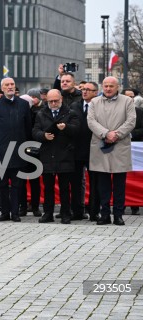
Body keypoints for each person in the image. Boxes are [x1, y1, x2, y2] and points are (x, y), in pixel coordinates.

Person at [87, 76, 136, 226]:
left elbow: (131, 121)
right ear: (102, 86)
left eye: (111, 86)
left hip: (120, 146)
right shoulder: (94, 102)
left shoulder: (127, 101)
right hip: (100, 146)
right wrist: (105, 133)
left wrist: (116, 134)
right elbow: (91, 121)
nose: (108, 88)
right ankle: (105, 214)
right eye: (106, 86)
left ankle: (119, 215)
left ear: (118, 87)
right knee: (103, 185)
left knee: (119, 185)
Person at [0, 78, 32, 222]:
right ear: (2, 88)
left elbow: (28, 127)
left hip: (19, 150)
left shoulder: (24, 104)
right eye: (7, 85)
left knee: (17, 185)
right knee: (3, 184)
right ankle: (4, 212)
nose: (10, 87)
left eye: (12, 84)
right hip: (1, 150)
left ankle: (15, 213)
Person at [33, 89, 79, 224]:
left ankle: (65, 213)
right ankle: (48, 213)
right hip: (47, 154)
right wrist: (43, 136)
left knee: (65, 188)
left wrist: (66, 127)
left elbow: (77, 130)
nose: (53, 103)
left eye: (56, 101)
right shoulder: (41, 113)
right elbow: (35, 131)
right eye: (50, 101)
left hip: (65, 154)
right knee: (48, 188)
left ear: (61, 99)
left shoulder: (70, 113)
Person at [69, 81, 100, 221]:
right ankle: (77, 211)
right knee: (75, 183)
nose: (85, 91)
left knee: (95, 183)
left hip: (94, 150)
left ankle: (94, 212)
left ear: (95, 92)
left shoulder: (100, 105)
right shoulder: (74, 105)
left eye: (88, 89)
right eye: (83, 89)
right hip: (76, 150)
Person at [19, 88, 45, 217]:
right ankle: (23, 206)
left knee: (34, 181)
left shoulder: (38, 113)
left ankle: (34, 206)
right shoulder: (18, 114)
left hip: (34, 150)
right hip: (21, 149)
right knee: (22, 181)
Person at [122, 88, 142, 215]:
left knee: (135, 178)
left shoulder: (140, 112)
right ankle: (121, 205)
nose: (130, 99)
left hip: (136, 147)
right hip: (120, 147)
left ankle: (135, 205)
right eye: (127, 96)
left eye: (132, 96)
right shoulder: (117, 111)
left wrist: (129, 133)